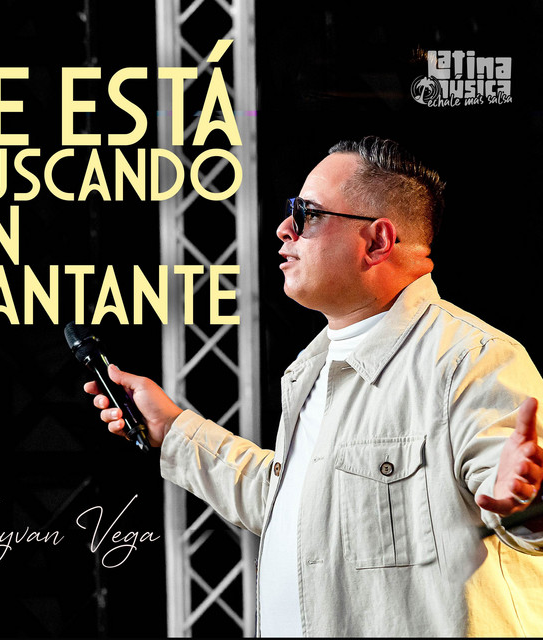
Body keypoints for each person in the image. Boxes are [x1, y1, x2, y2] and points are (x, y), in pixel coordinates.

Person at [84, 136, 543, 637]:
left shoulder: (471, 359)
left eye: (308, 214)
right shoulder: (313, 368)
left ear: (377, 242)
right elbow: (299, 509)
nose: (284, 229)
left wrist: (526, 501)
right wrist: (173, 429)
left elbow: (517, 501)